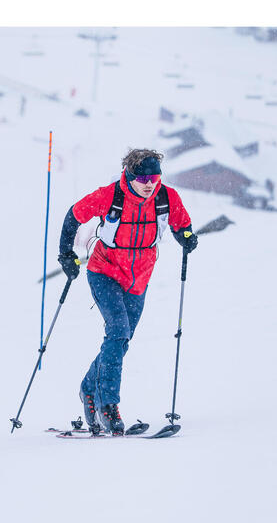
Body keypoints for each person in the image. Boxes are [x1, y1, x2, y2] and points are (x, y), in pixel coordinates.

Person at [57, 149, 197, 435]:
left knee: (120, 341)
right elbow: (74, 215)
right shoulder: (110, 195)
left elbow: (181, 223)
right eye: (144, 177)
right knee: (119, 330)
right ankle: (108, 405)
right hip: (104, 271)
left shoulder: (165, 197)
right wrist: (65, 254)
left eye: (155, 176)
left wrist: (186, 236)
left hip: (139, 277)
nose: (150, 183)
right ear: (130, 176)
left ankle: (88, 389)